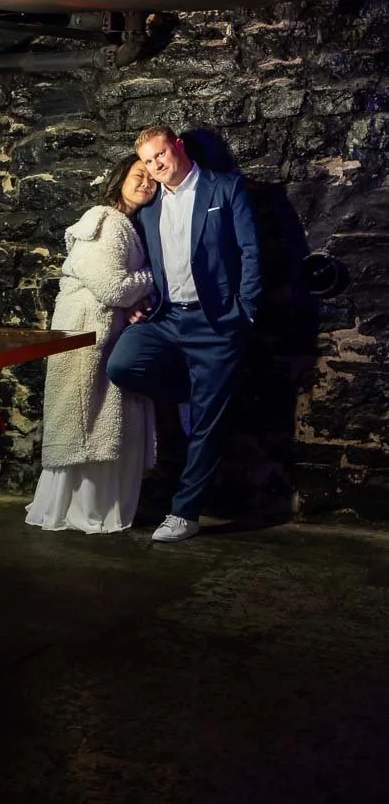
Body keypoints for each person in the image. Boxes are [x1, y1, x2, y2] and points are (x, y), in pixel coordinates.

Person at [107, 125, 262, 542]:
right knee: (122, 365)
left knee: (209, 423)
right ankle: (188, 392)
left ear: (178, 146)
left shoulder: (225, 187)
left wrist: (245, 313)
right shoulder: (151, 204)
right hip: (167, 317)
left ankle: (185, 513)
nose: (156, 165)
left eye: (160, 154)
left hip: (217, 322)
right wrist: (140, 299)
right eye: (148, 161)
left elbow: (251, 251)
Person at [26, 155, 158, 534]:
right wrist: (154, 277)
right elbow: (113, 287)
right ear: (120, 180)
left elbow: (117, 288)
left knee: (102, 419)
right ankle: (84, 509)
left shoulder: (126, 225)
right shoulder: (106, 221)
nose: (146, 183)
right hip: (87, 331)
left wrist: (133, 302)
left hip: (99, 328)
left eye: (151, 179)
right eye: (138, 175)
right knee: (87, 418)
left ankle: (96, 507)